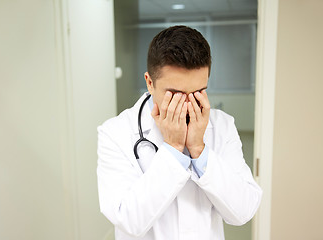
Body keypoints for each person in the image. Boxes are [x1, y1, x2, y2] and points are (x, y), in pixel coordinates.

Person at [97, 25, 262, 240]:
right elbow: (128, 221)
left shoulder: (222, 126)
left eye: (198, 92)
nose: (186, 104)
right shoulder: (115, 133)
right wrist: (174, 150)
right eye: (175, 94)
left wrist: (199, 150)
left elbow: (243, 212)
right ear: (149, 82)